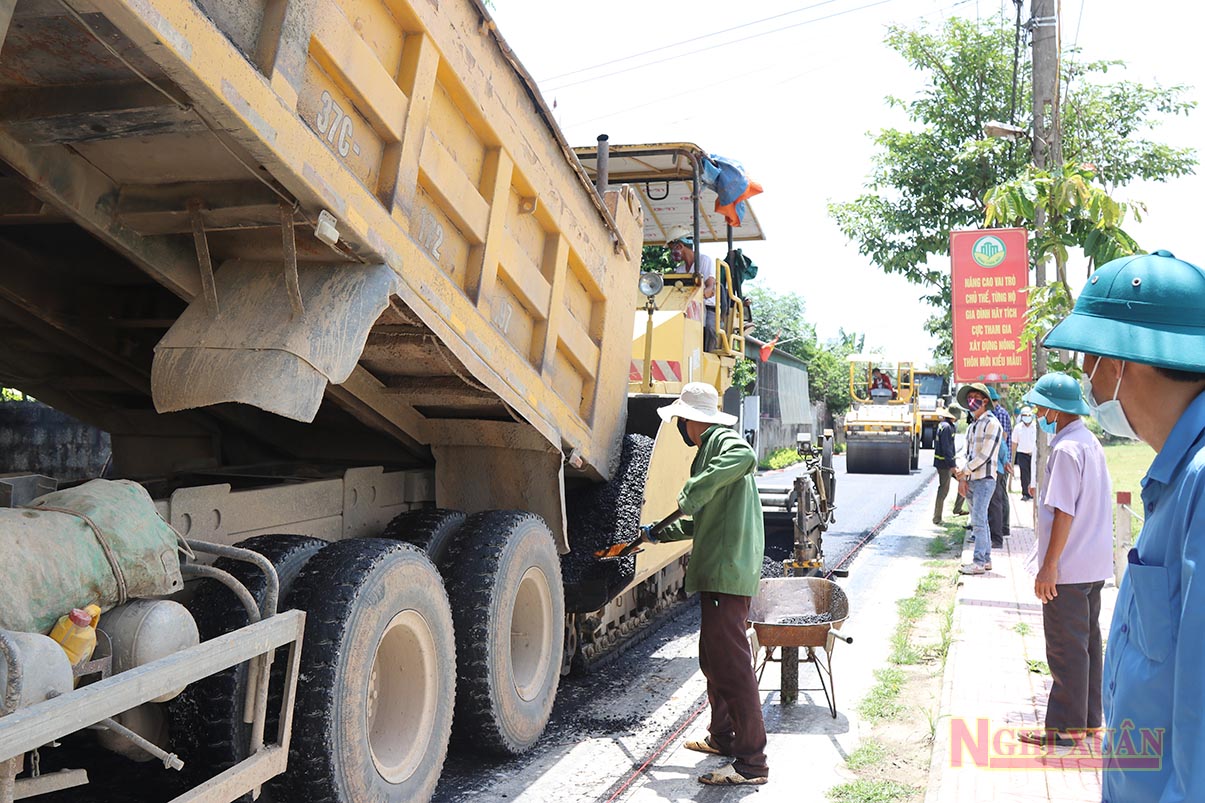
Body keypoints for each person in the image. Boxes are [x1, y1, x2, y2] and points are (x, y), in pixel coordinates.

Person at [1042, 250, 1205, 800]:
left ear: (1121, 362)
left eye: (1089, 363)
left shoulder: (1202, 486)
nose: (1087, 381)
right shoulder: (1176, 481)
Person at [640, 381, 769, 786]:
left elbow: (745, 456)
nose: (679, 425)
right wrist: (658, 533)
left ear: (693, 420)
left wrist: (691, 491)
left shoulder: (722, 440)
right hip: (718, 568)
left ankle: (752, 764)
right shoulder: (707, 451)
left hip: (727, 571)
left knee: (732, 666)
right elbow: (703, 520)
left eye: (680, 418)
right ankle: (723, 738)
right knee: (713, 660)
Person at [1015, 373, 1113, 749]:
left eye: (1042, 407)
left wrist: (1049, 565)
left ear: (1055, 411)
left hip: (1068, 567)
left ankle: (1064, 730)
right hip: (1093, 565)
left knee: (1064, 648)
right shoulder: (1089, 443)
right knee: (1087, 643)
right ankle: (1088, 721)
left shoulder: (1065, 450)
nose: (1038, 413)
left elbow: (1063, 512)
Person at [952, 383, 1002, 575]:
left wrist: (964, 470)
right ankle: (986, 559)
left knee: (979, 521)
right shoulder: (972, 426)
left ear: (985, 401)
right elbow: (965, 452)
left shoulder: (992, 424)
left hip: (985, 479)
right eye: (970, 397)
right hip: (971, 479)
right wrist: (962, 477)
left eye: (976, 397)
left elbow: (985, 456)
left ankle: (979, 561)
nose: (972, 400)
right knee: (979, 520)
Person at [667, 226, 717, 352]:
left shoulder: (704, 261)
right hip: (687, 307)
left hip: (707, 307)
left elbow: (711, 287)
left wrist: (702, 294)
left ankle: (706, 354)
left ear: (679, 246)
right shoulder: (680, 270)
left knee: (710, 329)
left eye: (671, 248)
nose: (671, 252)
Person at [987, 385, 1012, 548]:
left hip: (999, 465)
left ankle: (1001, 531)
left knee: (998, 499)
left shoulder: (998, 416)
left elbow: (1002, 441)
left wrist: (1006, 462)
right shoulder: (989, 417)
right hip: (994, 466)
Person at [932, 406, 958, 525]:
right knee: (943, 490)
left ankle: (958, 508)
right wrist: (952, 465)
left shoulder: (944, 425)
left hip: (945, 463)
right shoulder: (947, 427)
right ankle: (937, 518)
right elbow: (947, 448)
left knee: (963, 480)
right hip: (945, 464)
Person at [1012, 406, 1038, 500]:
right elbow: (1014, 443)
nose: (1027, 417)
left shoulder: (1036, 427)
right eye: (1024, 415)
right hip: (1022, 454)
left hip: (1034, 454)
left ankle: (1034, 493)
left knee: (1034, 474)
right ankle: (1025, 494)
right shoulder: (1018, 428)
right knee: (1024, 474)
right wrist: (1012, 457)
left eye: (1028, 415)